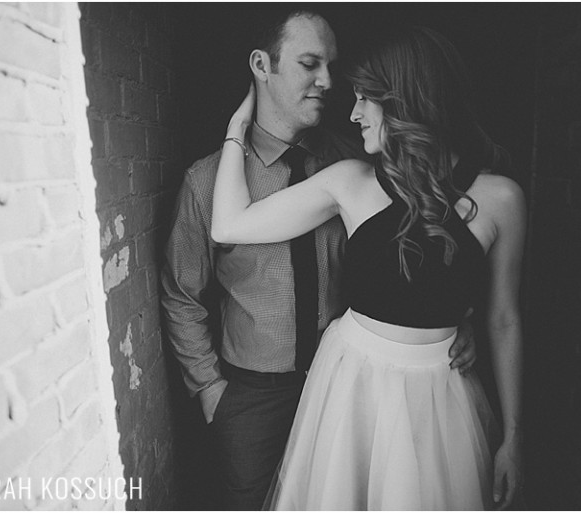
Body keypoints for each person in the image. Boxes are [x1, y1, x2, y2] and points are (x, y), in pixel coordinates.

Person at [160, 10, 477, 510]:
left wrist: (455, 322)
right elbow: (182, 294)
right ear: (262, 65)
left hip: (355, 390)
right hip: (252, 398)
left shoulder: (361, 165)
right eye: (310, 64)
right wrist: (211, 391)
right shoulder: (207, 182)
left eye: (331, 65)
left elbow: (430, 249)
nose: (328, 81)